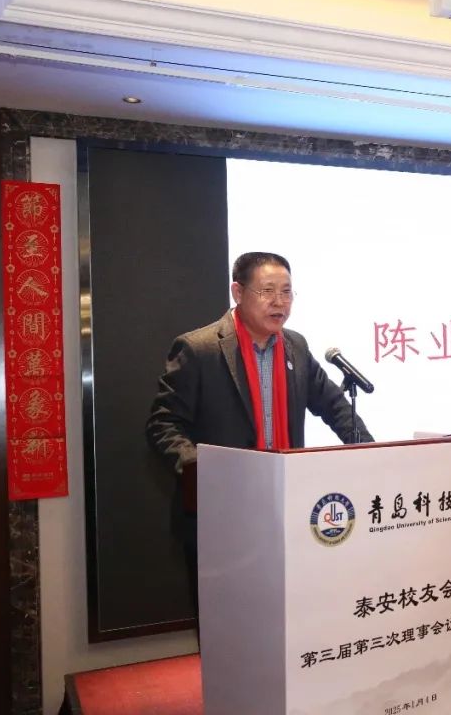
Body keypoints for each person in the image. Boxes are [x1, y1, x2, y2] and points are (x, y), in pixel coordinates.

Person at [146, 251, 373, 611]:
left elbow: (335, 406)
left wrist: (370, 454)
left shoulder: (296, 347)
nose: (279, 302)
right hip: (222, 512)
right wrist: (203, 470)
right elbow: (164, 423)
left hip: (287, 508)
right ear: (238, 292)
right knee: (228, 619)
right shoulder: (199, 349)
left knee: (287, 615)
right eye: (267, 291)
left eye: (286, 292)